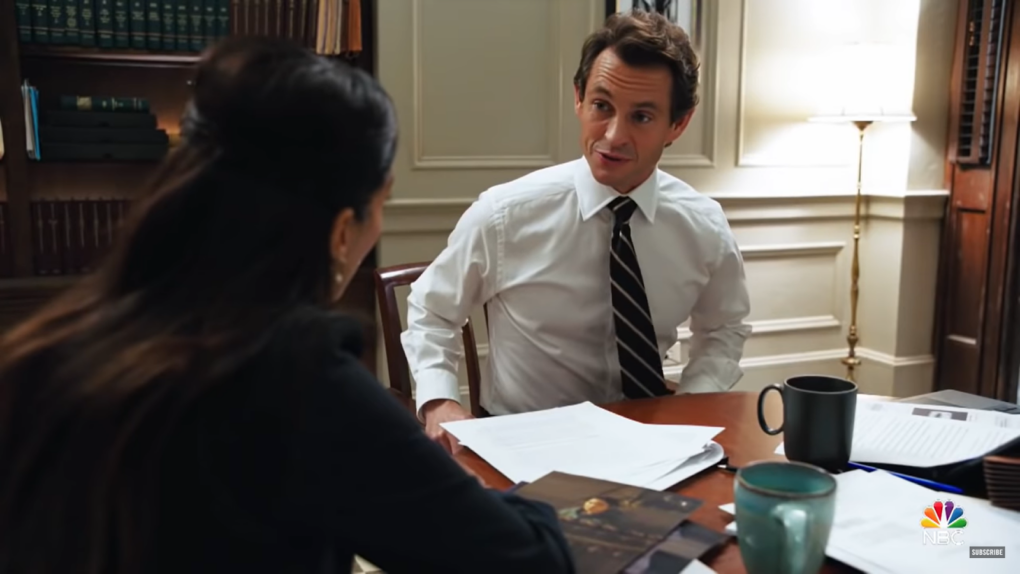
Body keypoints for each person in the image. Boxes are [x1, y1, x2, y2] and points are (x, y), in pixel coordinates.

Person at [0, 37, 574, 574]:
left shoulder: (49, 348)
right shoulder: (297, 381)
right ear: (340, 230)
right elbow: (529, 562)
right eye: (383, 203)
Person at [402, 10, 752, 453]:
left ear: (678, 125)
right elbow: (432, 310)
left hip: (651, 446)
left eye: (642, 117)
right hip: (522, 445)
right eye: (601, 107)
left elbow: (725, 328)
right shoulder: (506, 214)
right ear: (579, 99)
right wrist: (439, 402)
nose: (613, 136)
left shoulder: (702, 226)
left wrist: (689, 407)